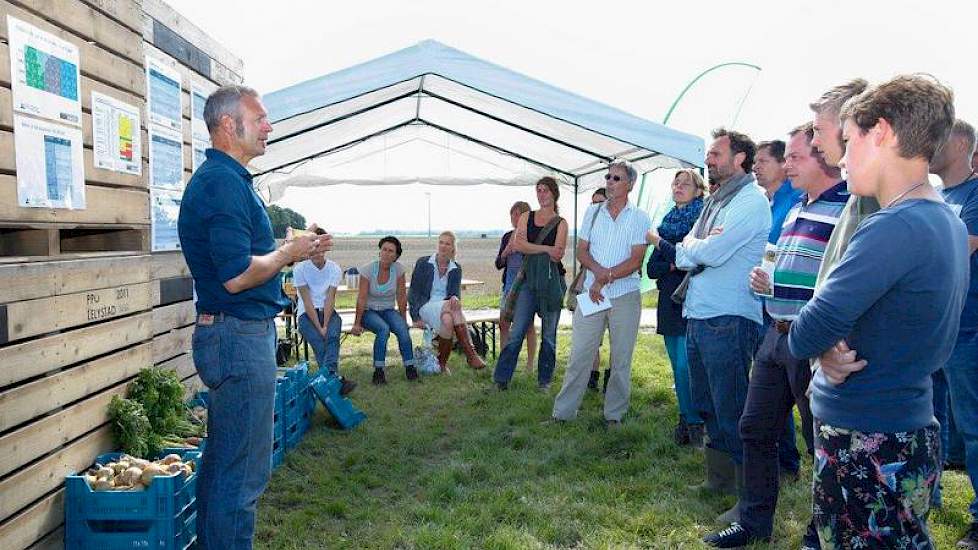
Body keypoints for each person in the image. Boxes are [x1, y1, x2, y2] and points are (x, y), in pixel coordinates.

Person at [789, 74, 965, 549]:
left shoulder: (893, 227)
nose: (842, 159)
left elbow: (804, 332)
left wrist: (823, 338)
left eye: (849, 141)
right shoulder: (943, 216)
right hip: (903, 426)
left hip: (868, 436)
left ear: (881, 133)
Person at [178, 85, 330, 549]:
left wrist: (290, 246)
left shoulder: (227, 180)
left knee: (226, 464)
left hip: (234, 334)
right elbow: (237, 276)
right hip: (238, 337)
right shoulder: (222, 184)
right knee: (241, 475)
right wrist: (288, 252)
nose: (269, 127)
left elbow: (246, 257)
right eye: (260, 118)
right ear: (230, 125)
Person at [705, 123, 848, 547]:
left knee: (819, 439)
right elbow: (780, 262)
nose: (787, 164)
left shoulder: (847, 209)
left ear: (823, 158)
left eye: (795, 157)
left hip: (813, 340)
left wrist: (780, 288)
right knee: (755, 428)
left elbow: (837, 283)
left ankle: (819, 532)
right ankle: (753, 523)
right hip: (775, 335)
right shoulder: (794, 207)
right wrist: (765, 278)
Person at [675, 129, 770, 522]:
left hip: (729, 317)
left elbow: (706, 251)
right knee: (708, 404)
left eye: (716, 154)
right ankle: (719, 480)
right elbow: (686, 248)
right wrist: (692, 246)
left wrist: (692, 246)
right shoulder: (715, 200)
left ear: (740, 160)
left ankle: (749, 501)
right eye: (709, 154)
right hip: (700, 313)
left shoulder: (750, 201)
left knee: (731, 409)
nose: (709, 160)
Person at [551, 160, 649, 425]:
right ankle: (563, 414)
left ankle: (614, 415)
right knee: (580, 355)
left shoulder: (639, 216)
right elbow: (582, 251)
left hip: (625, 295)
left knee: (620, 359)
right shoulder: (593, 212)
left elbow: (635, 261)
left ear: (629, 184)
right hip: (592, 294)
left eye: (616, 178)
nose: (609, 182)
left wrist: (604, 279)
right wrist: (598, 276)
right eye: (608, 177)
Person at [930, 119, 978, 549]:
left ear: (961, 143)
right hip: (935, 330)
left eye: (939, 138)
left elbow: (960, 249)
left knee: (974, 426)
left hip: (968, 330)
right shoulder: (937, 196)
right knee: (932, 423)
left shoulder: (976, 194)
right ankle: (929, 497)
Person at [754, 139, 804, 483]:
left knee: (797, 394)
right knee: (775, 394)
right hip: (768, 307)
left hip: (794, 316)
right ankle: (784, 461)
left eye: (762, 161)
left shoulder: (793, 200)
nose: (756, 167)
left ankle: (791, 461)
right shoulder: (770, 202)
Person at [645, 170, 705, 446]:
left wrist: (661, 245)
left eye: (686, 184)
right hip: (668, 300)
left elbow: (691, 260)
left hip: (691, 299)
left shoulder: (700, 221)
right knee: (676, 364)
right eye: (676, 183)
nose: (679, 187)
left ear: (698, 190)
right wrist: (672, 259)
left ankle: (697, 422)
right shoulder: (668, 223)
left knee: (686, 365)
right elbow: (652, 268)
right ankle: (685, 419)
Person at [493, 177, 568, 390]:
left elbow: (558, 253)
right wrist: (545, 249)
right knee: (517, 332)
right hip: (527, 280)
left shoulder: (561, 222)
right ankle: (501, 380)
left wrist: (532, 247)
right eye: (538, 190)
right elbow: (519, 244)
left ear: (554, 193)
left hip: (551, 281)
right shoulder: (527, 216)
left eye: (545, 190)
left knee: (549, 335)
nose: (541, 194)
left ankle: (544, 381)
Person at [409, 231, 486, 371]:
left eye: (447, 243)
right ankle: (471, 355)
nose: (443, 246)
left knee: (449, 320)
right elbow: (413, 292)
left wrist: (455, 297)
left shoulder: (456, 268)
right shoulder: (423, 263)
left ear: (452, 247)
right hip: (425, 306)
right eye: (441, 242)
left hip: (446, 308)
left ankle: (441, 364)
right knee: (452, 308)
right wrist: (415, 317)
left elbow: (454, 295)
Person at [293, 228, 355, 395]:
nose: (317, 252)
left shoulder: (334, 268)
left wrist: (325, 324)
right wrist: (319, 328)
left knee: (332, 338)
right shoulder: (300, 270)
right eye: (313, 247)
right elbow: (306, 301)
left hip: (329, 313)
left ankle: (328, 383)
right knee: (320, 344)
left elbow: (330, 299)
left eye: (320, 247)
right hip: (306, 315)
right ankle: (334, 381)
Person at [350, 236, 417, 384]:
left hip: (388, 310)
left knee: (402, 329)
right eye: (384, 250)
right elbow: (361, 298)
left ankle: (410, 367)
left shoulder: (399, 269)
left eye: (391, 251)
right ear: (380, 252)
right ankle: (378, 371)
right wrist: (357, 323)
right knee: (383, 329)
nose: (386, 253)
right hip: (368, 311)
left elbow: (401, 296)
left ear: (396, 255)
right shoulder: (367, 270)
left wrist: (403, 320)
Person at [495, 201, 537, 373]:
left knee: (527, 326)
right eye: (513, 214)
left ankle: (529, 364)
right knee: (503, 323)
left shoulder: (533, 236)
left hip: (526, 287)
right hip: (508, 286)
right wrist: (505, 252)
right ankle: (504, 361)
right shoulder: (507, 236)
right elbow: (498, 264)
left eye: (519, 214)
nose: (515, 217)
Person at [586, 187, 612, 393]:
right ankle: (591, 377)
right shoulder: (590, 222)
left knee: (616, 339)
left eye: (599, 202)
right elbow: (581, 252)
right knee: (590, 338)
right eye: (592, 202)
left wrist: (606, 275)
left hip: (617, 289)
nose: (595, 206)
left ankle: (610, 380)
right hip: (591, 287)